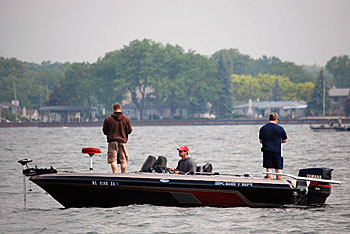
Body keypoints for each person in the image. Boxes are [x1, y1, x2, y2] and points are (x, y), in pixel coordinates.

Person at [103, 103, 132, 173]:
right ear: (120, 108)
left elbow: (105, 131)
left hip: (112, 142)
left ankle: (115, 174)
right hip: (122, 142)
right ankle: (123, 175)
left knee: (113, 160)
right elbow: (130, 131)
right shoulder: (126, 119)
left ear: (113, 109)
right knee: (123, 160)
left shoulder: (108, 119)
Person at [259, 113, 287, 180]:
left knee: (269, 168)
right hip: (277, 151)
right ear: (276, 119)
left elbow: (261, 141)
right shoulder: (280, 128)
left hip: (266, 150)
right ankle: (280, 184)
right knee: (278, 168)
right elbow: (285, 140)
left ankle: (270, 183)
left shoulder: (263, 128)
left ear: (269, 119)